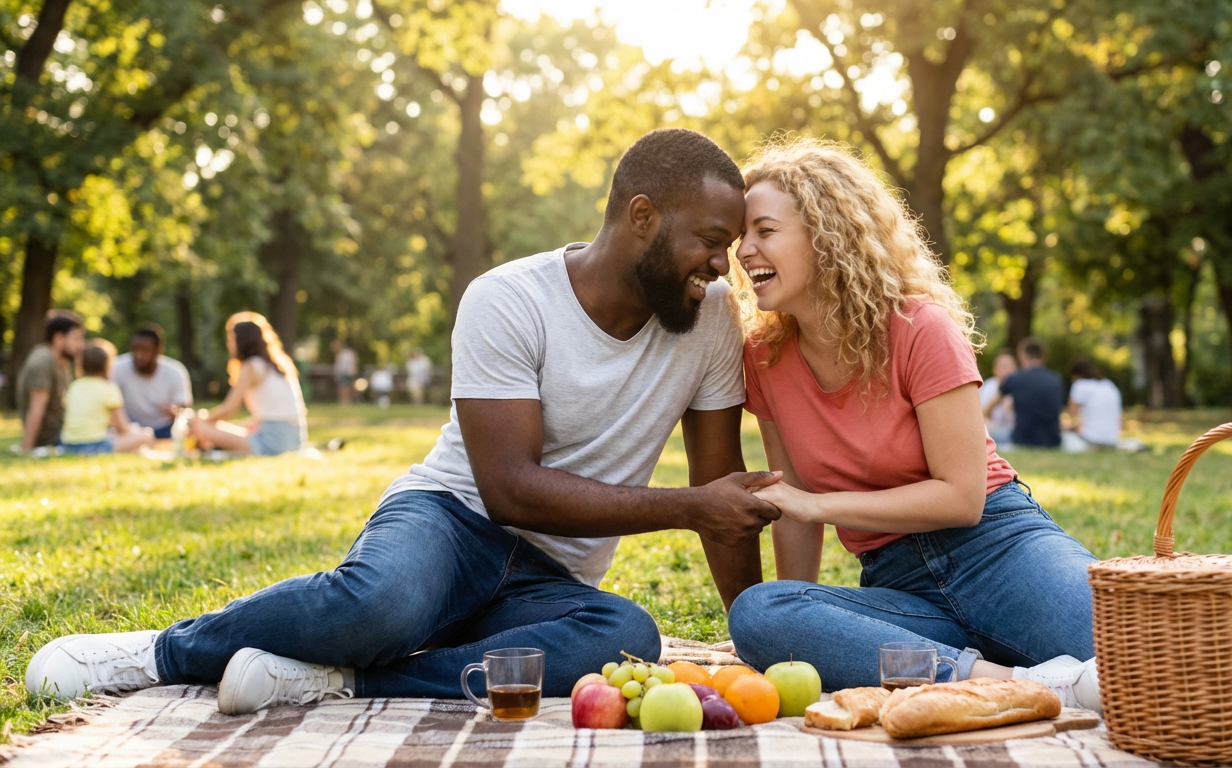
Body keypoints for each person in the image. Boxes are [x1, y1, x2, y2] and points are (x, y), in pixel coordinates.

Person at [26, 128, 782, 718]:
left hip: (553, 578)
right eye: (711, 241)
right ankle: (159, 653)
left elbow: (722, 496)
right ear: (642, 217)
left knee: (625, 636)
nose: (725, 264)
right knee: (381, 603)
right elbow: (509, 492)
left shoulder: (710, 321)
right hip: (451, 519)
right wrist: (690, 507)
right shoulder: (509, 299)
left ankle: (344, 682)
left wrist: (753, 643)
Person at [725, 139, 1102, 710]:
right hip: (900, 587)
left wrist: (821, 506)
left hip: (1000, 552)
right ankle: (1008, 683)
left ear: (828, 235)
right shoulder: (766, 357)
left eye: (764, 231)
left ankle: (986, 675)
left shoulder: (918, 328)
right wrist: (796, 610)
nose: (744, 249)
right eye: (741, 235)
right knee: (761, 613)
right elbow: (793, 504)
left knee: (1151, 649)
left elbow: (961, 497)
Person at [187, 313, 307, 457]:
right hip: (296, 439)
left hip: (272, 443)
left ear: (240, 342)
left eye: (231, 340)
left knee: (201, 426)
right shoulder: (276, 365)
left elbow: (228, 409)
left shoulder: (251, 366)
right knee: (229, 427)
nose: (230, 345)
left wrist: (200, 420)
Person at [60, 341, 156, 455]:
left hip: (67, 445)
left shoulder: (74, 386)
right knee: (147, 436)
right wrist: (138, 431)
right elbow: (122, 428)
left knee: (113, 435)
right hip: (93, 445)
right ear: (107, 365)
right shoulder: (108, 389)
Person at [18, 311, 85, 454]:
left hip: (65, 431)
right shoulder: (44, 361)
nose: (81, 345)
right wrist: (27, 447)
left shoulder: (59, 359)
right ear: (58, 338)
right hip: (53, 438)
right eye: (76, 339)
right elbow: (36, 407)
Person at [111, 323, 193, 439]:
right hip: (131, 428)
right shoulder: (116, 367)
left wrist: (174, 410)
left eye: (145, 351)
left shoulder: (175, 371)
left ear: (157, 351)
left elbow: (183, 407)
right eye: (136, 349)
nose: (138, 355)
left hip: (166, 428)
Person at [996, 338, 1064, 448]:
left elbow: (994, 403)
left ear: (1022, 356)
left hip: (1022, 439)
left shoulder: (1015, 379)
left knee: (989, 434)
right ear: (1043, 356)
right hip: (1052, 440)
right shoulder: (1056, 380)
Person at [978, 350, 1017, 445]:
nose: (1006, 370)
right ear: (995, 369)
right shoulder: (988, 387)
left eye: (1010, 366)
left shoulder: (1020, 387)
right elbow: (981, 416)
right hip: (993, 429)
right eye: (1002, 366)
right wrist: (996, 401)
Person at [332, 339, 358, 406]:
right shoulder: (341, 354)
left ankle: (346, 402)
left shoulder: (345, 354)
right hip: (343, 373)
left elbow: (351, 363)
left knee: (345, 387)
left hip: (346, 373)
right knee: (343, 387)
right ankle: (343, 402)